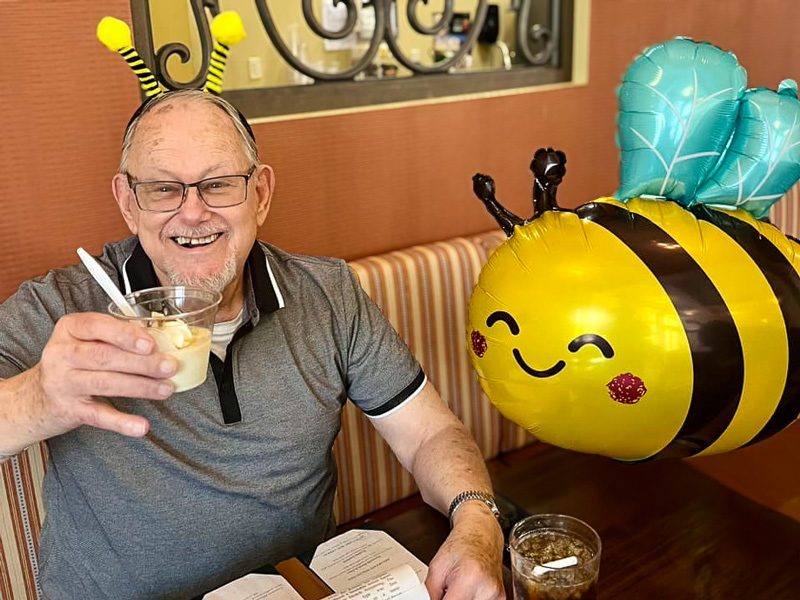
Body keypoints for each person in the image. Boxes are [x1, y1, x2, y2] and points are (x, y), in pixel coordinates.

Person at [0, 90, 505, 600]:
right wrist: (36, 397)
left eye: (218, 184)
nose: (192, 213)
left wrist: (478, 526)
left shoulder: (328, 295)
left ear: (261, 193)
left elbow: (428, 434)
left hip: (299, 589)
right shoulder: (59, 308)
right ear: (129, 202)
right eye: (162, 189)